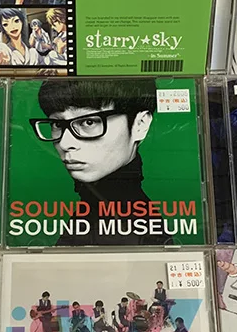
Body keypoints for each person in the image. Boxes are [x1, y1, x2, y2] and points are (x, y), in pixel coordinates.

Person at [32, 79, 171, 246]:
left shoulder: (129, 230)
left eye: (89, 122)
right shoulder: (95, 211)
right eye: (57, 124)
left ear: (140, 124)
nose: (65, 143)